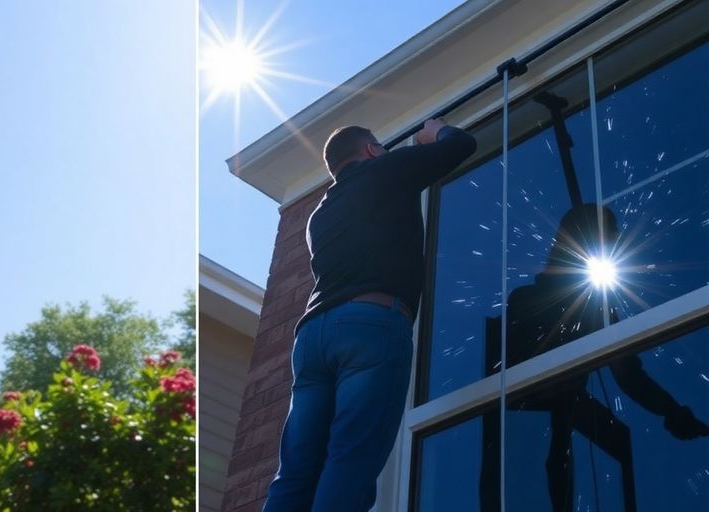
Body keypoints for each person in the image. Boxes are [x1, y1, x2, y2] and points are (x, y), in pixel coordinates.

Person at [262, 118, 477, 511]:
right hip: (370, 326)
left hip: (312, 338)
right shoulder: (384, 169)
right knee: (350, 460)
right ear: (371, 150)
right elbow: (461, 145)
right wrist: (435, 132)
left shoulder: (318, 216)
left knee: (295, 472)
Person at [479, 204, 709, 512]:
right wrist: (671, 411)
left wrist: (671, 410)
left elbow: (629, 374)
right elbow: (626, 375)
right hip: (520, 430)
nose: (611, 247)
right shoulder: (532, 302)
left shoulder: (588, 306)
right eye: (608, 241)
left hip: (550, 435)